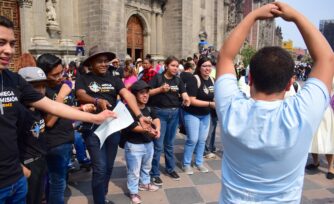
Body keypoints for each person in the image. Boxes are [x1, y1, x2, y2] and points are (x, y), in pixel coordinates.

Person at [215, 2, 334, 203]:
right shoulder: (301, 114)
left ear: (250, 79)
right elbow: (327, 58)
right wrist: (295, 16)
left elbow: (225, 56)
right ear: (289, 84)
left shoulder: (231, 108)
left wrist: (252, 16)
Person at [0, 15, 115, 204]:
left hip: (16, 181)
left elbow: (51, 105)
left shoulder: (13, 80)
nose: (8, 50)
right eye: (1, 42)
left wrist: (95, 118)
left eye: (12, 43)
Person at [75, 45, 151, 204]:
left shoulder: (113, 78)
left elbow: (127, 95)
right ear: (91, 63)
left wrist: (139, 116)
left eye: (106, 61)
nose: (104, 64)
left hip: (113, 129)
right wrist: (97, 100)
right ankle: (99, 201)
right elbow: (80, 94)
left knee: (108, 167)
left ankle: (103, 195)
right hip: (92, 129)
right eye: (99, 61)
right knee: (100, 168)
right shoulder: (83, 78)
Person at [37, 53, 95, 204]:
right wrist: (61, 96)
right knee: (58, 184)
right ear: (43, 73)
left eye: (61, 72)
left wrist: (81, 109)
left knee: (56, 181)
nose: (60, 77)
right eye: (55, 74)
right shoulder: (40, 91)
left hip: (66, 138)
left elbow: (67, 110)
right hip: (54, 142)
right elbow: (48, 122)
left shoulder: (61, 86)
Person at [148, 56, 190, 185]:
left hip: (174, 114)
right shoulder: (158, 78)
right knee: (158, 145)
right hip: (160, 114)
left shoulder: (178, 80)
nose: (175, 68)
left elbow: (183, 93)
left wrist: (186, 99)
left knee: (170, 144)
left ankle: (170, 168)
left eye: (177, 66)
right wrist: (160, 89)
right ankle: (154, 173)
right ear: (166, 66)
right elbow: (147, 92)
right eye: (172, 65)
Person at [122, 80, 160, 204]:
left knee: (146, 166)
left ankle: (145, 183)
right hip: (134, 145)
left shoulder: (149, 106)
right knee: (133, 170)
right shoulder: (129, 109)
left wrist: (157, 129)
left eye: (147, 92)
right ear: (134, 95)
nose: (145, 95)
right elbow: (132, 127)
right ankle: (133, 192)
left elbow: (156, 118)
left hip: (148, 143)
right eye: (142, 93)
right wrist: (149, 130)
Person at [182, 56, 215, 174]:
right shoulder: (194, 79)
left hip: (206, 115)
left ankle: (199, 162)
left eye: (209, 66)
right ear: (199, 67)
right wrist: (210, 104)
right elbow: (192, 100)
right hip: (192, 114)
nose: (207, 68)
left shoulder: (212, 79)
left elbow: (213, 96)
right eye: (204, 66)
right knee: (192, 139)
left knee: (202, 140)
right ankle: (186, 164)